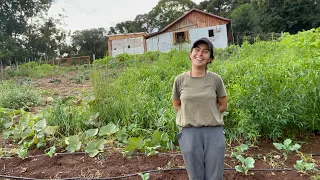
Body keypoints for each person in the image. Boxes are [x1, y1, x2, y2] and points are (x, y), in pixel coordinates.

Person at [171, 37, 228, 180]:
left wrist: (208, 115)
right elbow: (177, 104)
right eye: (197, 50)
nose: (200, 54)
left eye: (205, 52)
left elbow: (223, 105)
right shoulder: (180, 80)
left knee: (215, 175)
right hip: (189, 133)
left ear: (210, 59)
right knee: (195, 175)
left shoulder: (215, 79)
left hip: (213, 132)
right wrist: (191, 116)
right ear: (190, 54)